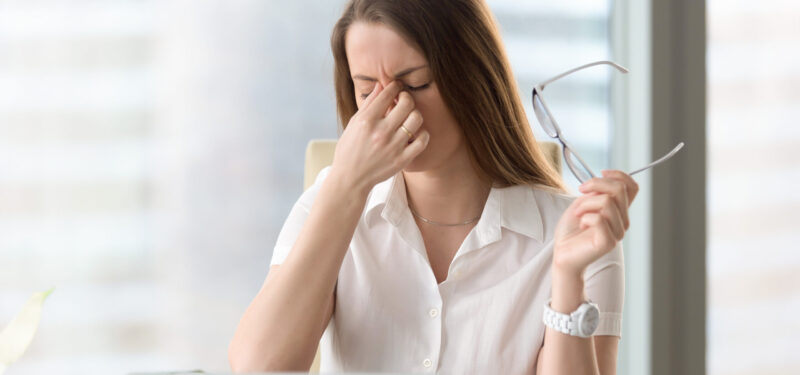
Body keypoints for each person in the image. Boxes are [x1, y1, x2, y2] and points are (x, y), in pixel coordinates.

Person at [228, 0, 638, 374]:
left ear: (473, 78)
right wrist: (346, 186)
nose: (392, 109)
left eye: (417, 84)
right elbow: (259, 366)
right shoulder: (329, 205)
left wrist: (566, 276)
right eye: (368, 91)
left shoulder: (575, 239)